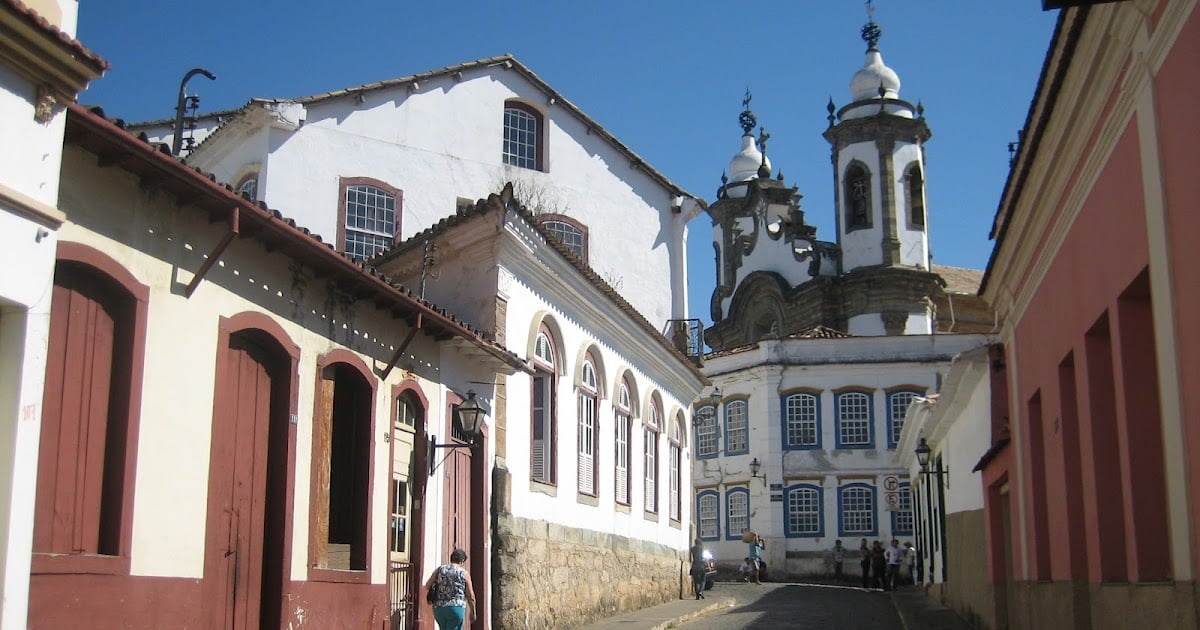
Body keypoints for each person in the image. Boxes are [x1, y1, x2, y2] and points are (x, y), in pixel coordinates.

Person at [425, 548, 476, 630]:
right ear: (462, 561)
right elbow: (471, 596)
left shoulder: (440, 569)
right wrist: (473, 612)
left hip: (439, 608)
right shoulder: (464, 573)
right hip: (456, 608)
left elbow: (428, 585)